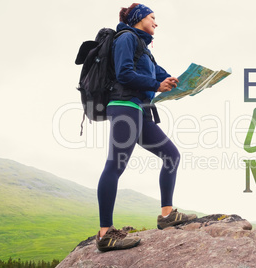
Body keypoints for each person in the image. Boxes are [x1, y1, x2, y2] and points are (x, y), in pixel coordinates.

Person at [95, 3, 197, 252]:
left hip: (140, 110)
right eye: (153, 17)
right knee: (115, 165)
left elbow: (164, 77)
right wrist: (156, 84)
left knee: (171, 155)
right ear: (140, 18)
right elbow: (124, 74)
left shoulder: (146, 49)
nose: (156, 22)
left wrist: (189, 83)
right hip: (124, 107)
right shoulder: (127, 38)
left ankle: (167, 215)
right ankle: (106, 233)